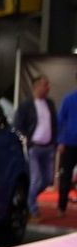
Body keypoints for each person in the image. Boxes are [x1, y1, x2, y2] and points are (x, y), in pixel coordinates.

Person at [12, 75, 57, 220]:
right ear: (36, 86)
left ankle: (28, 199)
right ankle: (32, 209)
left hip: (48, 147)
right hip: (34, 148)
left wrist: (55, 142)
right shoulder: (26, 105)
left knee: (48, 179)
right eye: (45, 85)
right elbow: (17, 125)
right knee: (36, 179)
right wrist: (27, 140)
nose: (48, 87)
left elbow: (54, 123)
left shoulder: (50, 104)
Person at [56, 77, 77, 215]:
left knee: (66, 176)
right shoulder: (68, 99)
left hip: (69, 142)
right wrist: (61, 141)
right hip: (69, 143)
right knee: (66, 176)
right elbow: (60, 121)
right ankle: (61, 206)